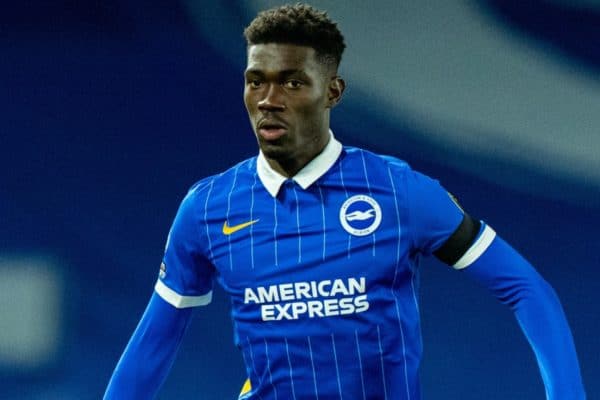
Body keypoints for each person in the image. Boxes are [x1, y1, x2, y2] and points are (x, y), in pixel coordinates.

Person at [104, 3, 586, 399]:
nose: (269, 99)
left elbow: (525, 287)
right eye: (256, 80)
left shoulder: (400, 192)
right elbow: (157, 338)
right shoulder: (208, 207)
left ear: (333, 91)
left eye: (292, 82)